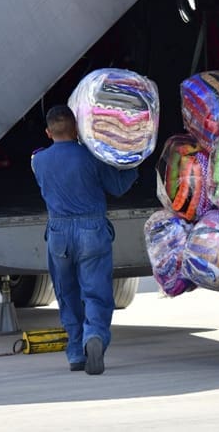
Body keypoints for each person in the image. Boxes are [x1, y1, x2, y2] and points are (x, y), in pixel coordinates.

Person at [31, 105, 138, 375]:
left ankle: (76, 353)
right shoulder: (91, 157)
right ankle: (95, 337)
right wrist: (132, 163)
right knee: (96, 292)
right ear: (77, 128)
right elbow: (118, 187)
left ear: (48, 132)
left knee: (67, 294)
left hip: (58, 234)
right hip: (92, 229)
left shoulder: (38, 161)